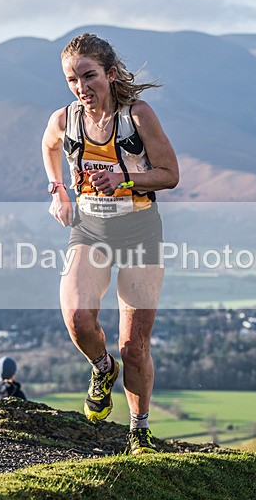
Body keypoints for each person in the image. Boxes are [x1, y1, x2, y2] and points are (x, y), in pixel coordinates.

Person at [41, 33, 179, 454]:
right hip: (90, 231)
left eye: (89, 76)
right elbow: (48, 146)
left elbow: (170, 174)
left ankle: (139, 430)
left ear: (110, 74)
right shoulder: (65, 119)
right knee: (79, 319)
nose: (81, 87)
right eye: (72, 79)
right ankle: (102, 370)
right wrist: (57, 189)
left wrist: (124, 179)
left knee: (133, 345)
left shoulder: (138, 115)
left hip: (139, 233)